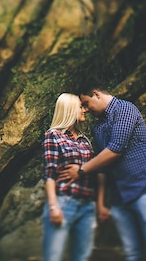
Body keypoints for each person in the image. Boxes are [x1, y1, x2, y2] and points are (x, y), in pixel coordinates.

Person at [58, 77, 146, 261]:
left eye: (86, 104)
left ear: (96, 94)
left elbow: (116, 149)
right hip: (120, 198)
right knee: (132, 253)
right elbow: (102, 167)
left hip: (145, 187)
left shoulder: (125, 109)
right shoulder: (98, 128)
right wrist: (103, 203)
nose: (86, 110)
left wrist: (81, 170)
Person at [41, 92, 108, 261]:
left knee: (82, 257)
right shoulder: (53, 136)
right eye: (80, 106)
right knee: (53, 257)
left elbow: (98, 172)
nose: (84, 110)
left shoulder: (85, 140)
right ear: (69, 109)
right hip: (64, 202)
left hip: (87, 206)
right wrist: (53, 206)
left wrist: (99, 204)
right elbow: (50, 173)